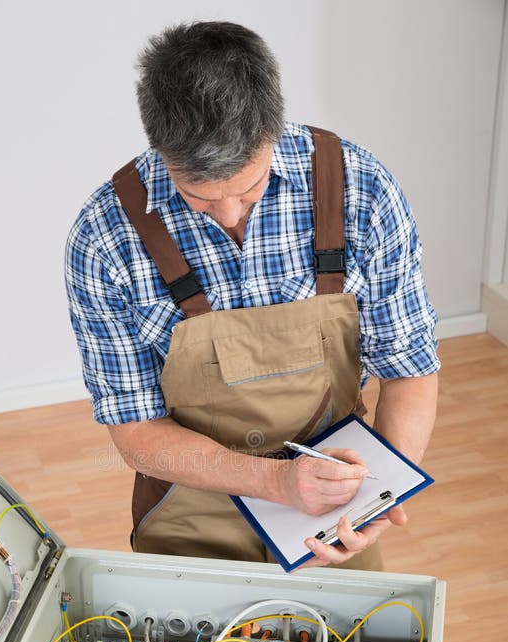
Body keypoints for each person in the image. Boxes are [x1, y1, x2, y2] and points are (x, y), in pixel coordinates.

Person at [65, 21, 439, 570]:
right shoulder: (104, 237)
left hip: (338, 493)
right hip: (191, 507)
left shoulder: (359, 186)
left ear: (272, 129)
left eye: (247, 189)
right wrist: (277, 481)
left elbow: (409, 368)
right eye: (198, 197)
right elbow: (136, 431)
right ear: (160, 148)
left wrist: (375, 500)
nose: (228, 214)